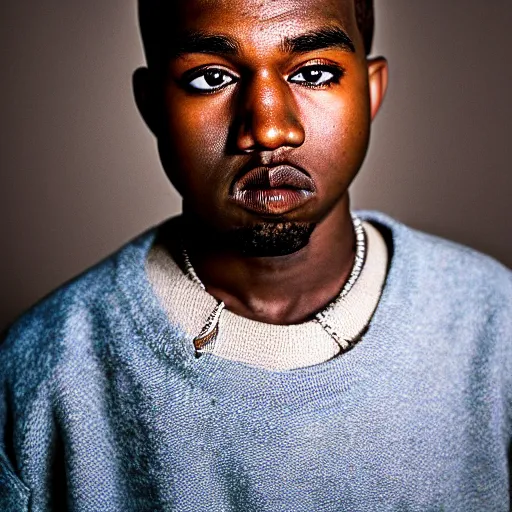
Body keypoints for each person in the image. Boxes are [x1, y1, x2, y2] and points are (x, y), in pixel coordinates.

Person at [1, 0, 511, 510]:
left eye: (314, 73)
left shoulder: (497, 328)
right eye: (210, 78)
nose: (269, 128)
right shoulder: (35, 380)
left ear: (371, 91)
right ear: (153, 106)